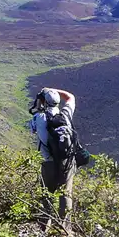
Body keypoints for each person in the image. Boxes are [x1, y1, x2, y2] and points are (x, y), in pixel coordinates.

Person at [29, 87, 77, 228]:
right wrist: (53, 90)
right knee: (66, 193)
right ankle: (64, 229)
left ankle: (45, 225)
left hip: (48, 162)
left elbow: (33, 130)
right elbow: (70, 97)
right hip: (67, 162)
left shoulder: (38, 118)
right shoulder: (65, 114)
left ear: (42, 101)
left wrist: (40, 104)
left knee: (46, 194)